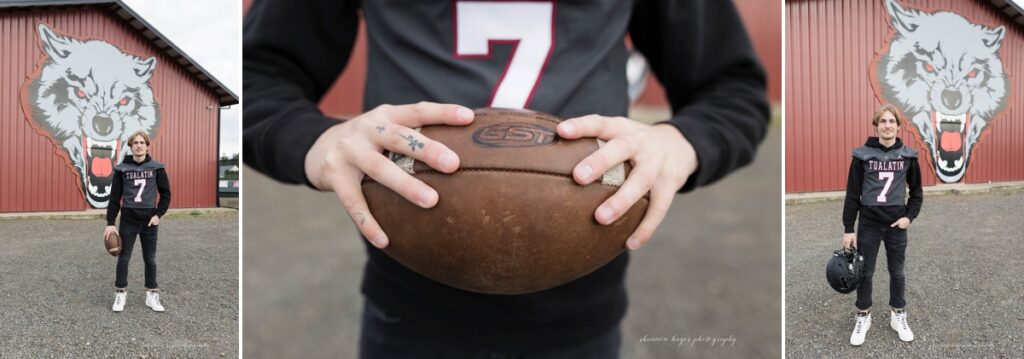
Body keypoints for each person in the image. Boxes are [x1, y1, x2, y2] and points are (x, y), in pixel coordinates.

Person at [243, 0, 769, 357]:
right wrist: (312, 140)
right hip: (409, 295)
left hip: (582, 302)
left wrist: (680, 142)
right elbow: (257, 76)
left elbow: (731, 88)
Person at [842, 104, 923, 346]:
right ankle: (863, 315)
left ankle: (898, 314)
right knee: (865, 272)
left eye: (892, 121)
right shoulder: (862, 155)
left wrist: (909, 216)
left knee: (897, 272)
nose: (888, 125)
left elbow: (917, 192)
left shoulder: (908, 156)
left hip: (897, 225)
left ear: (899, 126)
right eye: (883, 121)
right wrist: (848, 228)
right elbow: (852, 194)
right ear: (876, 126)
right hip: (869, 224)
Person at [104, 131, 171, 313]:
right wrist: (110, 222)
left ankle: (151, 294)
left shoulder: (156, 168)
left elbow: (166, 194)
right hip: (128, 220)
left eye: (142, 142)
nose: (139, 145)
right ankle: (120, 293)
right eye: (135, 143)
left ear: (147, 145)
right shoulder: (121, 169)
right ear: (131, 146)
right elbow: (114, 198)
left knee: (150, 259)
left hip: (150, 221)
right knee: (123, 258)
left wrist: (158, 215)